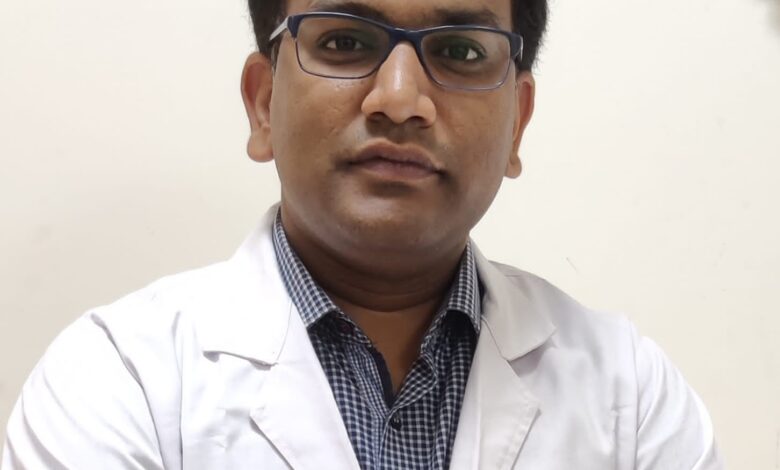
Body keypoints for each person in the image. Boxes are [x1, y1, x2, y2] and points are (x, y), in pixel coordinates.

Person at [2, 0, 724, 468]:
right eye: (346, 41)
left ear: (518, 123)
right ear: (263, 103)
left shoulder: (630, 395)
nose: (400, 100)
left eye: (460, 52)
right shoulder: (115, 381)